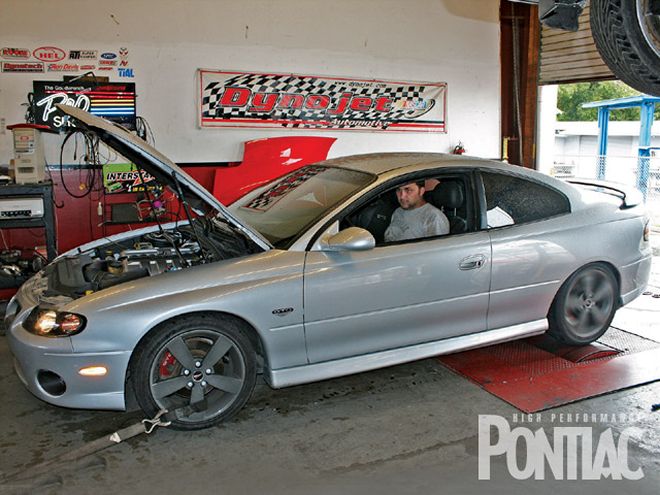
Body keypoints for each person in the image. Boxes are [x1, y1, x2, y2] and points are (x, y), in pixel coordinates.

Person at [384, 180, 450, 242]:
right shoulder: (398, 211)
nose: (402, 196)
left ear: (421, 191)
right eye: (399, 190)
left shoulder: (433, 217)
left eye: (408, 190)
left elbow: (436, 251)